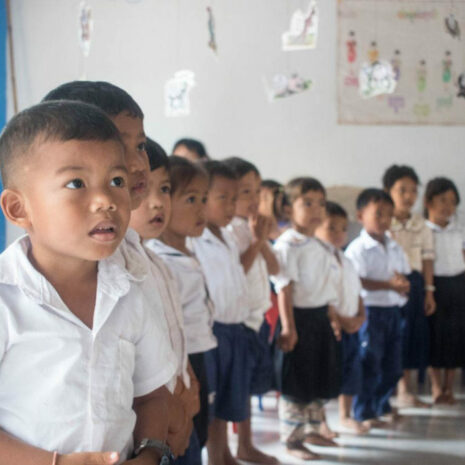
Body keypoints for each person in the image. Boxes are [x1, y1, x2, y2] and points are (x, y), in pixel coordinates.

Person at [0, 101, 177, 465]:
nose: (106, 201)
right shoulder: (6, 298)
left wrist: (149, 454)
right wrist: (56, 463)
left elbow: (152, 396)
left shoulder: (133, 289)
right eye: (76, 183)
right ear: (19, 209)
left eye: (116, 181)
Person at [43, 81, 196, 457]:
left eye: (140, 145)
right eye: (113, 145)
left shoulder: (135, 253)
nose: (135, 162)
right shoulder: (80, 263)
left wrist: (179, 395)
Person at [135, 151, 212, 465]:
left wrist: (188, 384)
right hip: (160, 411)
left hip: (181, 386)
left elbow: (174, 333)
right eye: (142, 189)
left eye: (164, 189)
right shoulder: (135, 268)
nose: (156, 202)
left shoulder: (155, 263)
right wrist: (174, 409)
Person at [271, 177, 342, 461]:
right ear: (288, 208)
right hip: (297, 319)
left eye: (321, 203)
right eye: (307, 203)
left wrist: (332, 316)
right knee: (296, 381)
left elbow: (325, 286)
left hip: (319, 318)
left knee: (316, 375)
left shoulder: (317, 244)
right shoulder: (288, 244)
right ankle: (292, 439)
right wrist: (289, 327)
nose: (316, 209)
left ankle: (313, 429)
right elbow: (284, 288)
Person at [189, 161, 253, 465]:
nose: (231, 205)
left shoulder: (228, 237)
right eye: (221, 197)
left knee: (228, 400)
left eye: (234, 197)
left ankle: (224, 453)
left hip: (234, 328)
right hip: (214, 331)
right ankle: (216, 458)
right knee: (212, 404)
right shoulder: (196, 239)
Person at [224, 157, 279, 465]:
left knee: (247, 386)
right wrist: (256, 242)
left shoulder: (251, 228)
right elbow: (236, 273)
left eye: (258, 192)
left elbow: (275, 268)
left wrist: (262, 240)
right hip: (240, 321)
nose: (254, 199)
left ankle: (246, 443)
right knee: (237, 388)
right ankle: (238, 446)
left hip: (257, 320)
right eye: (246, 192)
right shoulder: (229, 231)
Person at [345, 188, 411, 426]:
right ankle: (365, 411)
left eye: (389, 215)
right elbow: (357, 280)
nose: (385, 220)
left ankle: (382, 405)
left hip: (393, 311)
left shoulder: (394, 246)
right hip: (371, 312)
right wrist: (388, 285)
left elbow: (402, 273)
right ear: (361, 215)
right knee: (370, 362)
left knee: (393, 365)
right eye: (379, 214)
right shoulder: (357, 249)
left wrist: (403, 283)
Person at [382, 165, 435, 408]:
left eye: (413, 191)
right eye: (402, 190)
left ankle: (406, 388)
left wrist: (428, 291)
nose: (408, 196)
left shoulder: (421, 225)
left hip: (413, 284)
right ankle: (387, 388)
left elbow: (427, 259)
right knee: (391, 335)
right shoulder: (382, 222)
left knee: (412, 335)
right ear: (388, 191)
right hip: (386, 285)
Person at [315, 201, 369, 434]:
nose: (339, 234)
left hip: (352, 325)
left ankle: (346, 415)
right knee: (325, 374)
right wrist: (338, 318)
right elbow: (323, 296)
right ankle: (322, 422)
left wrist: (361, 315)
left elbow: (356, 291)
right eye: (331, 228)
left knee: (351, 371)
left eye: (343, 229)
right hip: (331, 326)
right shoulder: (319, 259)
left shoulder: (346, 259)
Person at [424, 177, 465, 405]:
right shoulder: (424, 231)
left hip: (458, 285)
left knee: (456, 336)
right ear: (428, 202)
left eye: (452, 201)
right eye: (442, 200)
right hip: (434, 286)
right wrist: (428, 291)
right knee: (434, 336)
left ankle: (450, 388)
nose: (448, 206)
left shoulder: (459, 231)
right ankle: (436, 387)